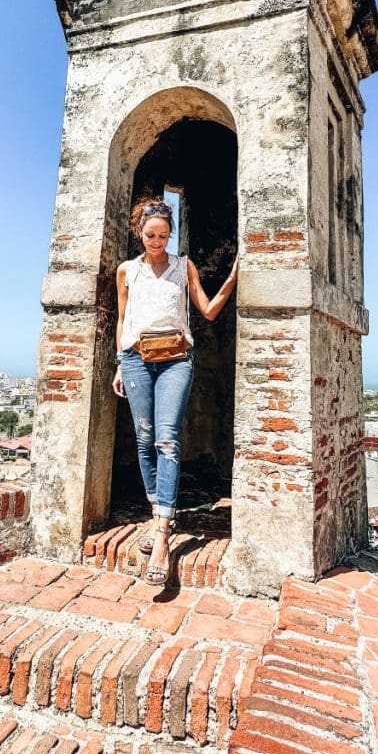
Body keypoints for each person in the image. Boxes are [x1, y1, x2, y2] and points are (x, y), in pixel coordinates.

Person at [113, 197, 238, 586]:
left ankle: (162, 531)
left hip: (175, 360)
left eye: (164, 235)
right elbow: (122, 319)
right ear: (139, 232)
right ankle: (158, 510)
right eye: (151, 235)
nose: (157, 242)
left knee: (167, 439)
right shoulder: (126, 272)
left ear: (171, 234)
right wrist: (119, 361)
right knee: (146, 438)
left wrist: (233, 278)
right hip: (135, 359)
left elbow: (208, 310)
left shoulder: (183, 267)